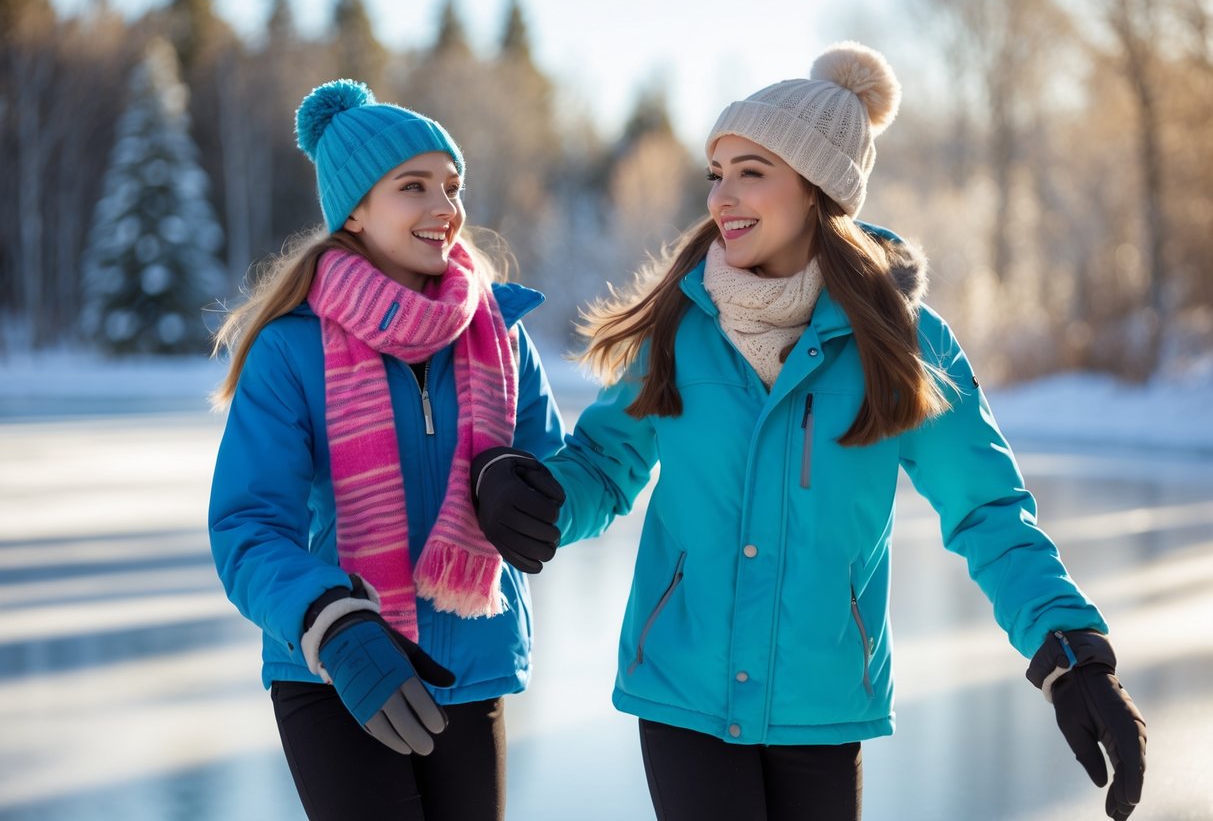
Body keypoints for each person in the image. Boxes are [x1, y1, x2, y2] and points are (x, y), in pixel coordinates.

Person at [470, 43, 1147, 821]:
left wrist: (1070, 654)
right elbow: (605, 461)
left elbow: (986, 512)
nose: (721, 195)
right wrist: (539, 494)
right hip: (683, 690)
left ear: (817, 186)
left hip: (820, 698)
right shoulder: (681, 326)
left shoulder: (902, 344)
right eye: (714, 173)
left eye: (750, 170)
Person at [208, 79, 565, 821]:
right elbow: (247, 528)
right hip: (334, 671)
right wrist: (332, 624)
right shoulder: (290, 350)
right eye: (413, 187)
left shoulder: (501, 335)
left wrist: (515, 480)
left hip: (470, 661)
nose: (446, 208)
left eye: (452, 185)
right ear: (356, 211)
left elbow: (560, 480)